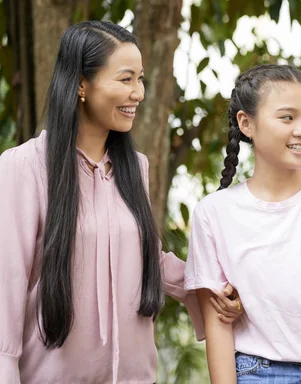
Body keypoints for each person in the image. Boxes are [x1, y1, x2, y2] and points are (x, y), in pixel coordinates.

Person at [0, 21, 242, 384]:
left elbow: (148, 258)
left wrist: (210, 285)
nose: (138, 93)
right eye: (125, 79)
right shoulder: (24, 166)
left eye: (140, 79)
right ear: (81, 83)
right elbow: (8, 284)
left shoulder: (135, 167)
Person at [184, 64, 301, 383]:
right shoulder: (213, 213)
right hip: (257, 374)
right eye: (287, 117)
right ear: (246, 123)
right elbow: (218, 328)